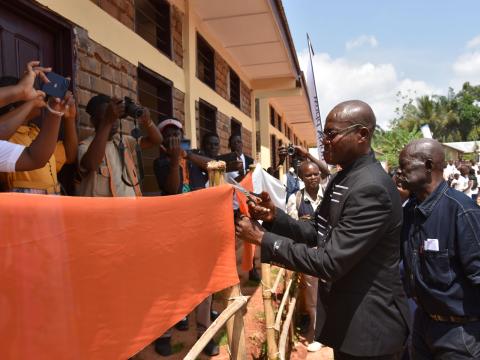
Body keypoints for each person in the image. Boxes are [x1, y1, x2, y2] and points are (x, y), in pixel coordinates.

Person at [236, 100, 410, 359]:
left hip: (370, 330)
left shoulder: (371, 188)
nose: (324, 141)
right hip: (349, 321)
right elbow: (318, 229)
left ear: (362, 135)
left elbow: (329, 262)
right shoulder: (344, 178)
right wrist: (275, 218)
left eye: (331, 134)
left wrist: (262, 238)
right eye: (323, 135)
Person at [397, 138, 480, 359]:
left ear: (428, 165)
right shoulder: (410, 212)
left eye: (404, 164)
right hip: (423, 324)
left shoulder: (461, 211)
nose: (399, 171)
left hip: (460, 334)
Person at [153, 118, 219, 357]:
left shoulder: (194, 160)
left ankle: (204, 334)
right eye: (169, 136)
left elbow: (215, 165)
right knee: (170, 285)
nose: (174, 139)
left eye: (177, 135)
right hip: (172, 234)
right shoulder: (160, 163)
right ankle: (165, 334)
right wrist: (173, 161)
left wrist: (187, 156)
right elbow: (171, 190)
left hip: (199, 232)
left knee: (204, 286)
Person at [0, 77, 77, 194]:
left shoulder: (35, 132)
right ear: (13, 108)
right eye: (30, 95)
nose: (39, 96)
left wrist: (69, 118)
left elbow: (69, 156)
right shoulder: (8, 138)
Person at [76, 94, 162, 196]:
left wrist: (148, 121)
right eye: (106, 117)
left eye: (115, 117)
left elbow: (156, 140)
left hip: (131, 209)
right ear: (93, 121)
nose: (113, 121)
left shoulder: (123, 141)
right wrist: (107, 121)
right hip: (106, 211)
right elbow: (91, 164)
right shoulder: (85, 146)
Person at [285, 160, 324, 353]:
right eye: (308, 175)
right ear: (301, 178)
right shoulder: (296, 199)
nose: (313, 178)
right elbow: (293, 228)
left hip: (332, 254)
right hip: (310, 256)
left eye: (316, 174)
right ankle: (318, 334)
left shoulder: (330, 196)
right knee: (312, 298)